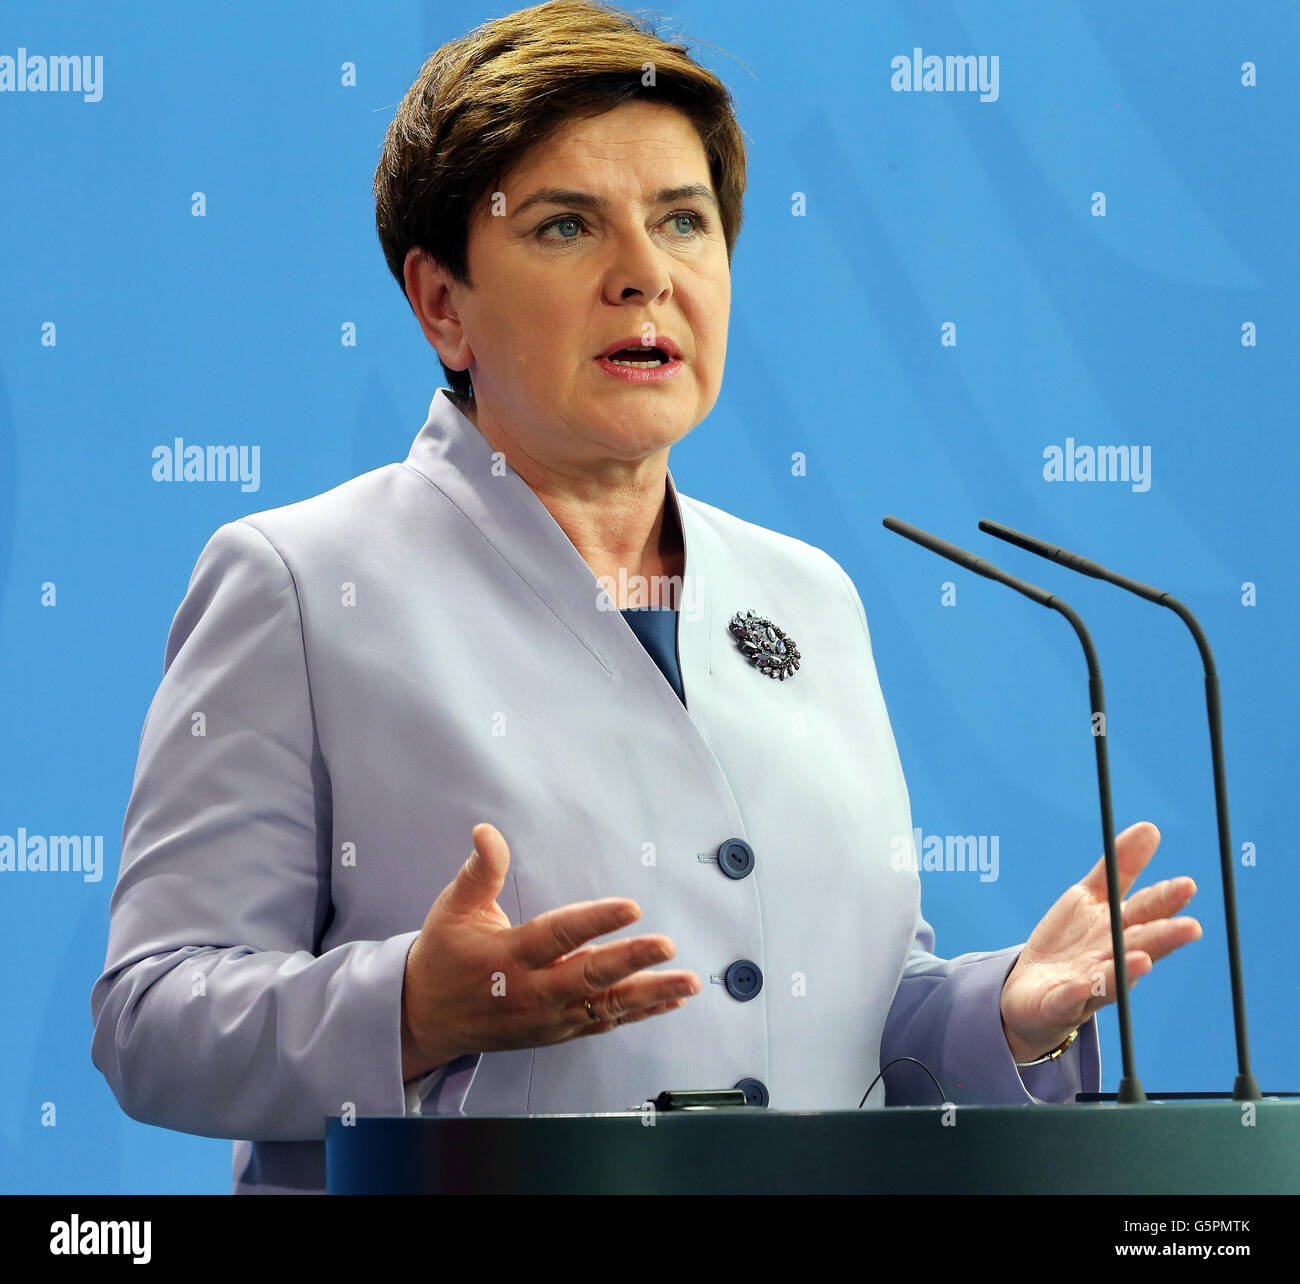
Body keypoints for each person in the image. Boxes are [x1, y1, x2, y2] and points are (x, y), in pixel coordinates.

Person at [90, 0, 1202, 1196]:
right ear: (441, 303)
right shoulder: (300, 583)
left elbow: (825, 1008)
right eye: (568, 226)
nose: (646, 277)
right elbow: (152, 1020)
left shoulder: (806, 594)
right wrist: (414, 1005)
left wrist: (1001, 1014)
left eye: (684, 222)